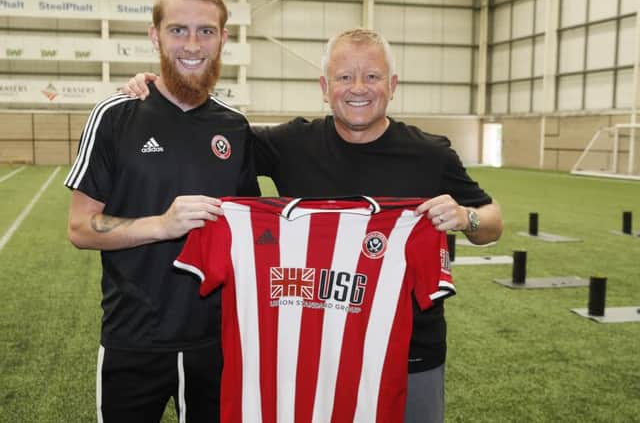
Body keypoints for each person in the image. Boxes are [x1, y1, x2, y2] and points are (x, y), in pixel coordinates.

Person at [123, 28, 503, 423]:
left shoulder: (430, 153)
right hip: (309, 350)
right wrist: (166, 91)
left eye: (372, 76)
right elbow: (213, 137)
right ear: (325, 87)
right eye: (344, 77)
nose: (358, 88)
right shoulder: (292, 143)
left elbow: (492, 221)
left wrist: (466, 217)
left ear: (392, 85)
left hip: (410, 351)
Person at [65, 0, 258, 422]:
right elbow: (80, 227)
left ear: (223, 39)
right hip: (134, 338)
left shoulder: (235, 126)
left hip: (216, 340)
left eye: (205, 31)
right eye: (178, 30)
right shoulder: (115, 116)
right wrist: (162, 225)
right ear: (155, 36)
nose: (192, 44)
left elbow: (251, 227)